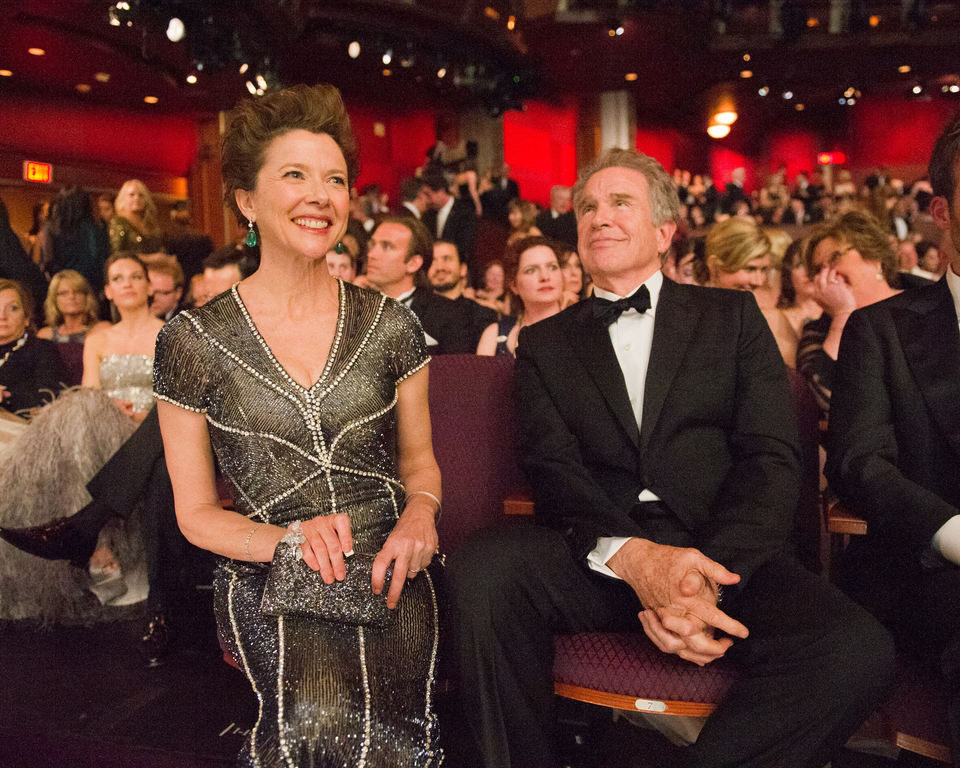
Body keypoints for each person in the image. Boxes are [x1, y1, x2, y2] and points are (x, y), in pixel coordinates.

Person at [448, 147, 893, 768]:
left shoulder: (731, 316)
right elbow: (553, 468)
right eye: (587, 208)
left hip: (727, 554)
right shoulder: (545, 343)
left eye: (619, 203)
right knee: (483, 574)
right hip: (605, 559)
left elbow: (771, 455)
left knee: (857, 647)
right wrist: (635, 560)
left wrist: (699, 580)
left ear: (664, 232)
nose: (599, 217)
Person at [153, 83, 443, 766]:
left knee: (396, 734)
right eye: (295, 175)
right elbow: (196, 515)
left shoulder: (393, 325)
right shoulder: (190, 341)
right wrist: (288, 541)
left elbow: (420, 463)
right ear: (247, 201)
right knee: (317, 722)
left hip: (390, 559)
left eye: (335, 179)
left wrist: (421, 516)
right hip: (268, 563)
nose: (321, 195)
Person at [825, 113, 960, 766]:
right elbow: (859, 462)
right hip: (933, 567)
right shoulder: (882, 329)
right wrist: (951, 531)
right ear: (941, 209)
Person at [797, 212, 902, 417]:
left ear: (874, 257)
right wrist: (843, 316)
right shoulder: (819, 332)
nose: (828, 275)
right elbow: (822, 400)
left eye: (835, 258)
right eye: (818, 269)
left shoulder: (928, 303)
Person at [366, 216, 477, 354]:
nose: (372, 254)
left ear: (413, 263)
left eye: (387, 246)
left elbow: (454, 372)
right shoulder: (353, 308)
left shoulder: (449, 315)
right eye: (372, 245)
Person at [476, 237, 564, 357]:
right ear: (514, 285)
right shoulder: (495, 334)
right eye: (531, 270)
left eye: (552, 267)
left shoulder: (585, 330)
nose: (545, 277)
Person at [0, 279, 66, 416]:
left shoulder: (42, 349)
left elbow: (52, 397)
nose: (2, 316)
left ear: (26, 318)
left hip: (23, 429)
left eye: (13, 308)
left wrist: (6, 396)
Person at [428, 240, 496, 350]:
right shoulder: (414, 315)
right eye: (433, 261)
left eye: (447, 259)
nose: (440, 267)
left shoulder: (483, 316)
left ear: (463, 269)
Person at [41, 186, 110, 293]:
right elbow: (101, 259)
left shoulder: (51, 228)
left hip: (63, 285)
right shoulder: (96, 228)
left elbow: (48, 261)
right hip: (92, 286)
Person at [422, 170, 478, 286]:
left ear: (441, 192)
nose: (427, 200)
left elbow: (466, 245)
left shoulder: (464, 211)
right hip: (434, 274)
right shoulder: (429, 215)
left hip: (458, 273)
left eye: (429, 195)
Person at [37, 269, 104, 343]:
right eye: (64, 293)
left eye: (78, 291)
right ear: (54, 300)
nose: (71, 296)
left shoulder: (102, 330)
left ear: (86, 297)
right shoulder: (45, 336)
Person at [109, 179, 163, 255]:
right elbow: (118, 254)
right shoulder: (119, 222)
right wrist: (151, 259)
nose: (136, 198)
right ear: (123, 199)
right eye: (131, 195)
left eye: (141, 195)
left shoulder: (150, 224)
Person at [534, 185, 577, 250]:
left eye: (568, 200)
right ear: (552, 199)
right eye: (561, 198)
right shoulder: (540, 219)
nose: (564, 203)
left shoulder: (575, 220)